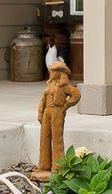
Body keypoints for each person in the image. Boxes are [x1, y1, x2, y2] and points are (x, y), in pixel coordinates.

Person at [34, 52, 80, 180]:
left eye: (53, 71)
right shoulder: (49, 84)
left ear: (59, 72)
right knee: (44, 137)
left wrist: (66, 105)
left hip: (57, 112)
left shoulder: (64, 86)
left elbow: (76, 94)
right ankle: (44, 165)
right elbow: (43, 99)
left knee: (57, 139)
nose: (51, 72)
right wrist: (40, 112)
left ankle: (58, 167)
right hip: (47, 112)